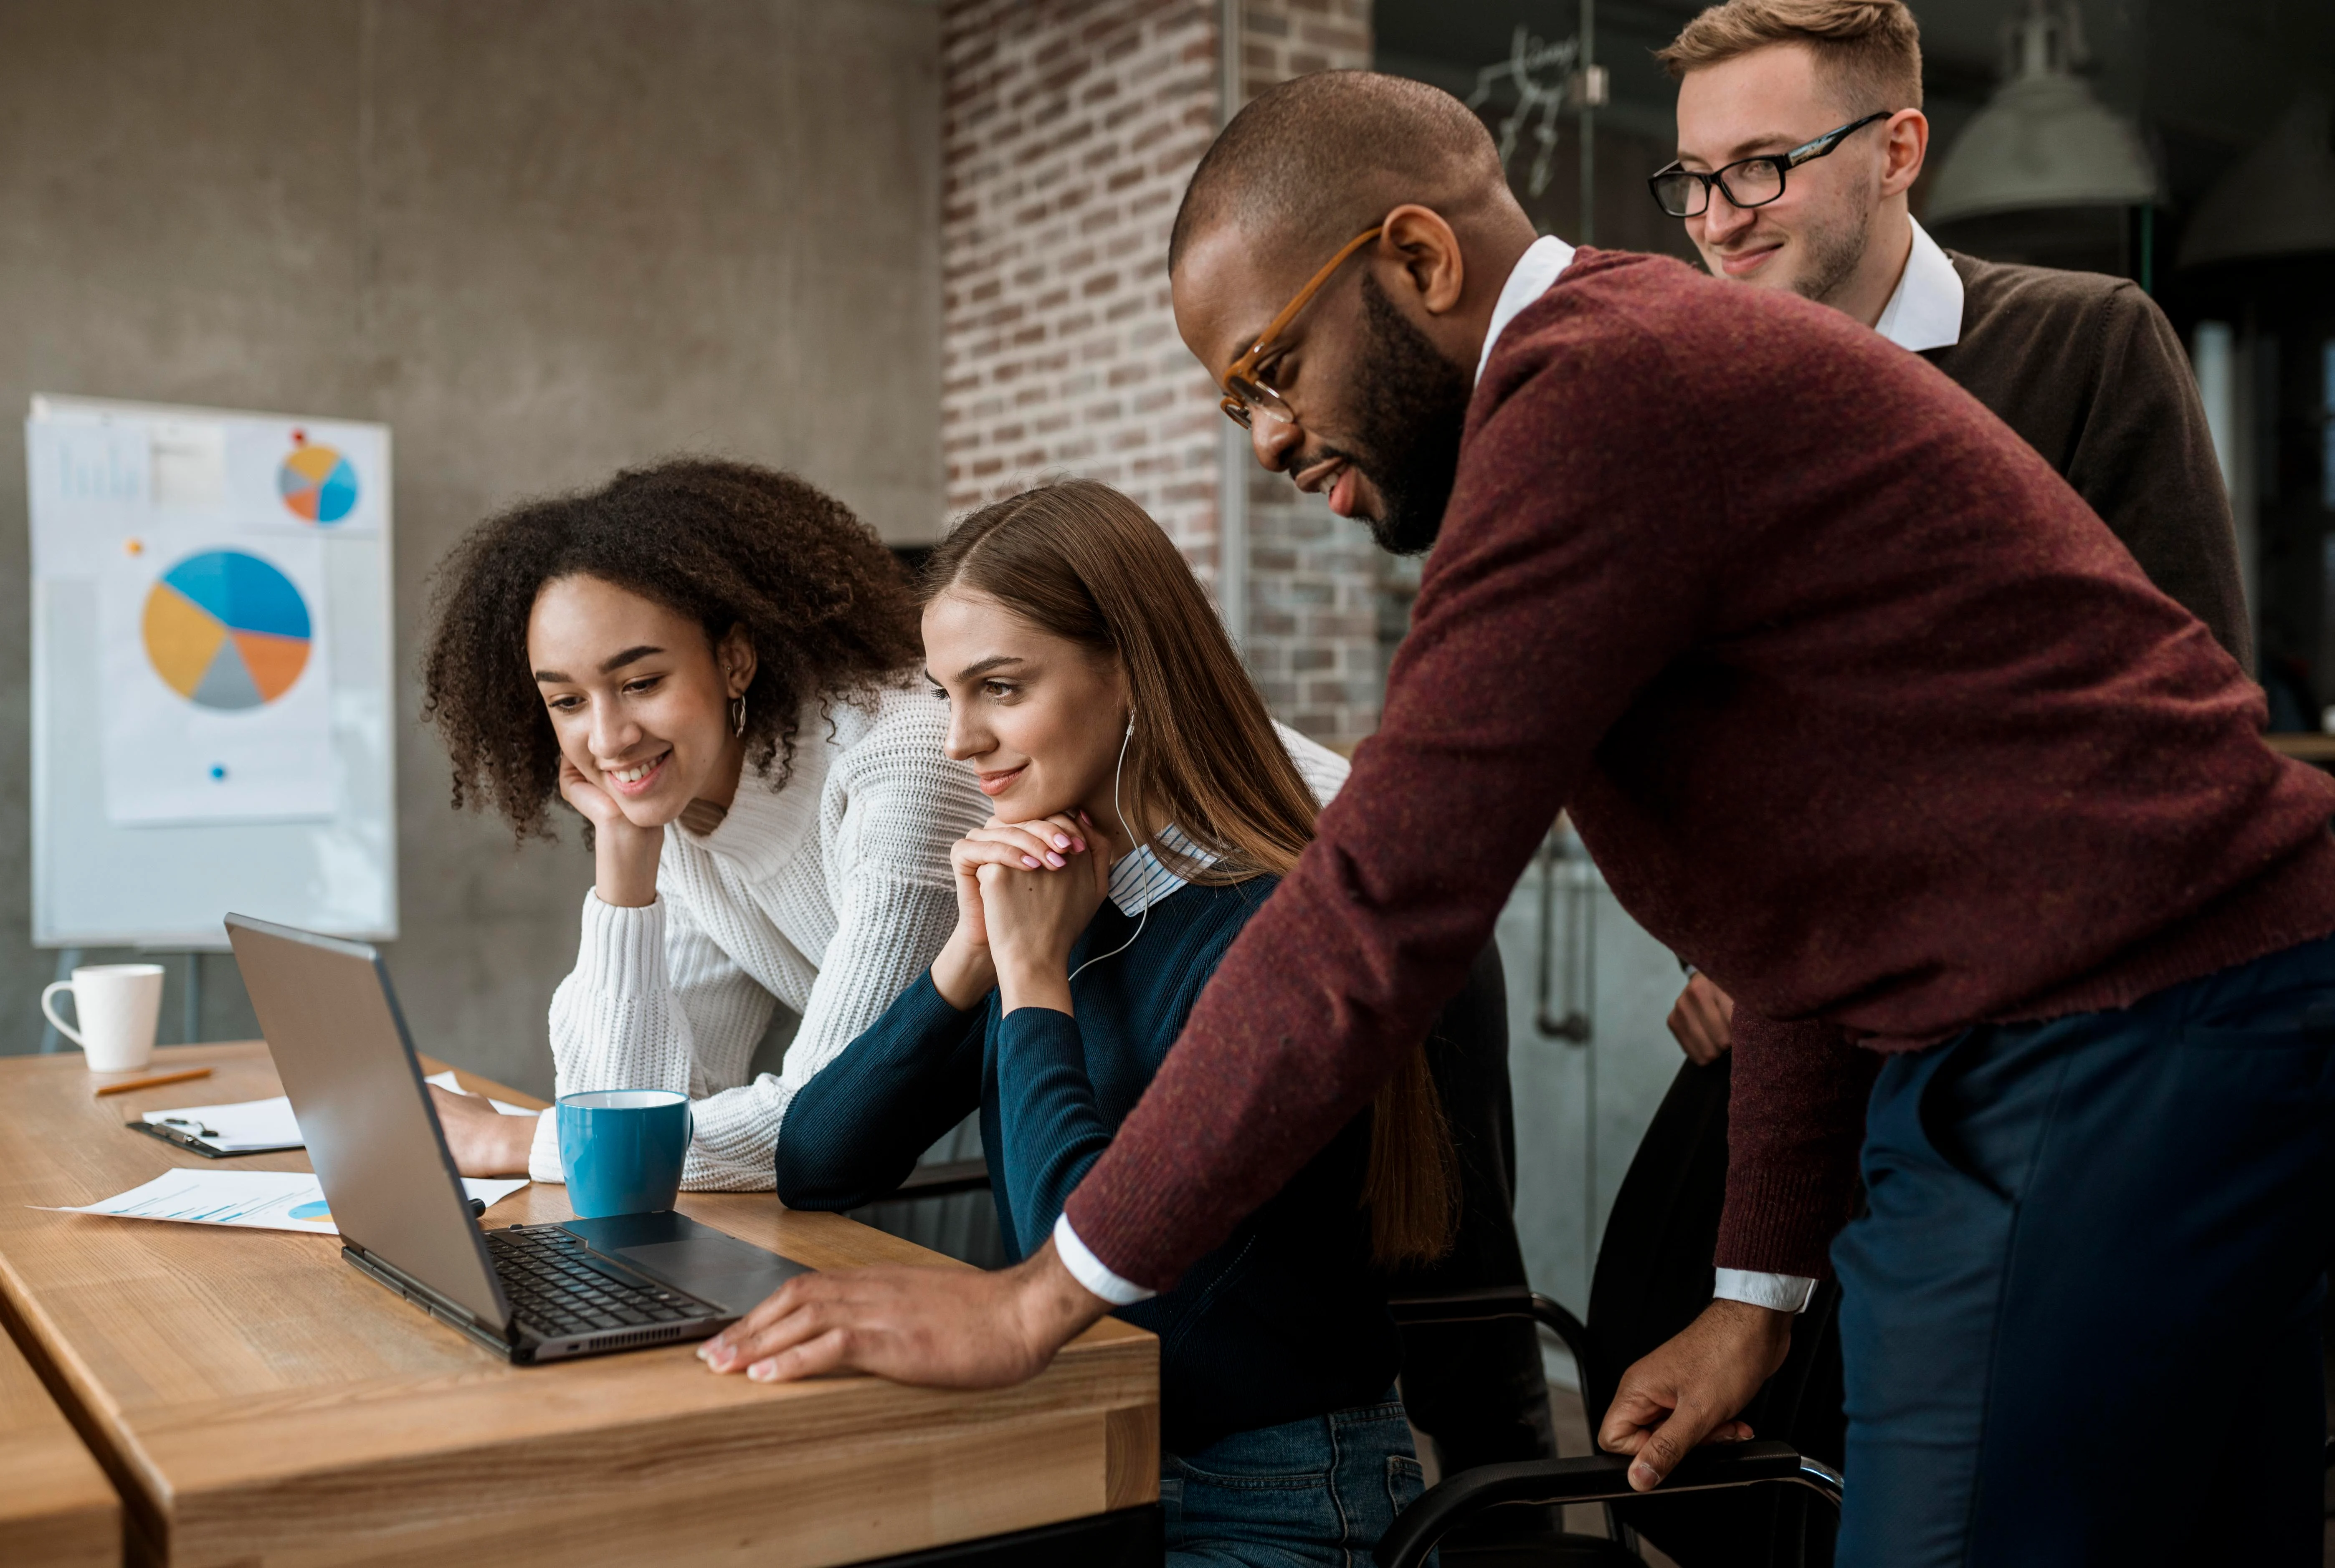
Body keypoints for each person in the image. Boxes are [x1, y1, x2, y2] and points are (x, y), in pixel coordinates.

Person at [698, 72, 2335, 1566]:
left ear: (1413, 260)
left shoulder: (1598, 395)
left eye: (1270, 368)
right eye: (1234, 407)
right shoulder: (1617, 401)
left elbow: (1381, 908)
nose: (1269, 440)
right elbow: (1815, 923)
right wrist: (1755, 1300)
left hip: (2122, 1023)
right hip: (2129, 1020)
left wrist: (1040, 1300)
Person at [749, 479, 1452, 1564]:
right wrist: (970, 955)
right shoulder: (1069, 893)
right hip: (1090, 1454)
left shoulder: (1274, 921)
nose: (960, 742)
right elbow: (819, 1157)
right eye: (947, 695)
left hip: (1284, 1493)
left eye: (1001, 688)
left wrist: (1033, 970)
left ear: (1131, 667)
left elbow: (1065, 1263)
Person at [1651, 0, 2251, 1072]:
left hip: (2040, 1052)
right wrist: (1717, 945)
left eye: (1761, 165)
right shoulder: (1690, 418)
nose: (1717, 219)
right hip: (1774, 1061)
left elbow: (2192, 752)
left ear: (1898, 151)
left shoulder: (2087, 345)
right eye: (1693, 178)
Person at [415, 457, 991, 1186]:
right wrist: (626, 864)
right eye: (567, 702)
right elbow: (632, 1110)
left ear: (735, 661)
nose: (608, 737)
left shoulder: (902, 765)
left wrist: (516, 1142)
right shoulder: (686, 809)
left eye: (641, 683)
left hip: (1047, 1166)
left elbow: (823, 1113)